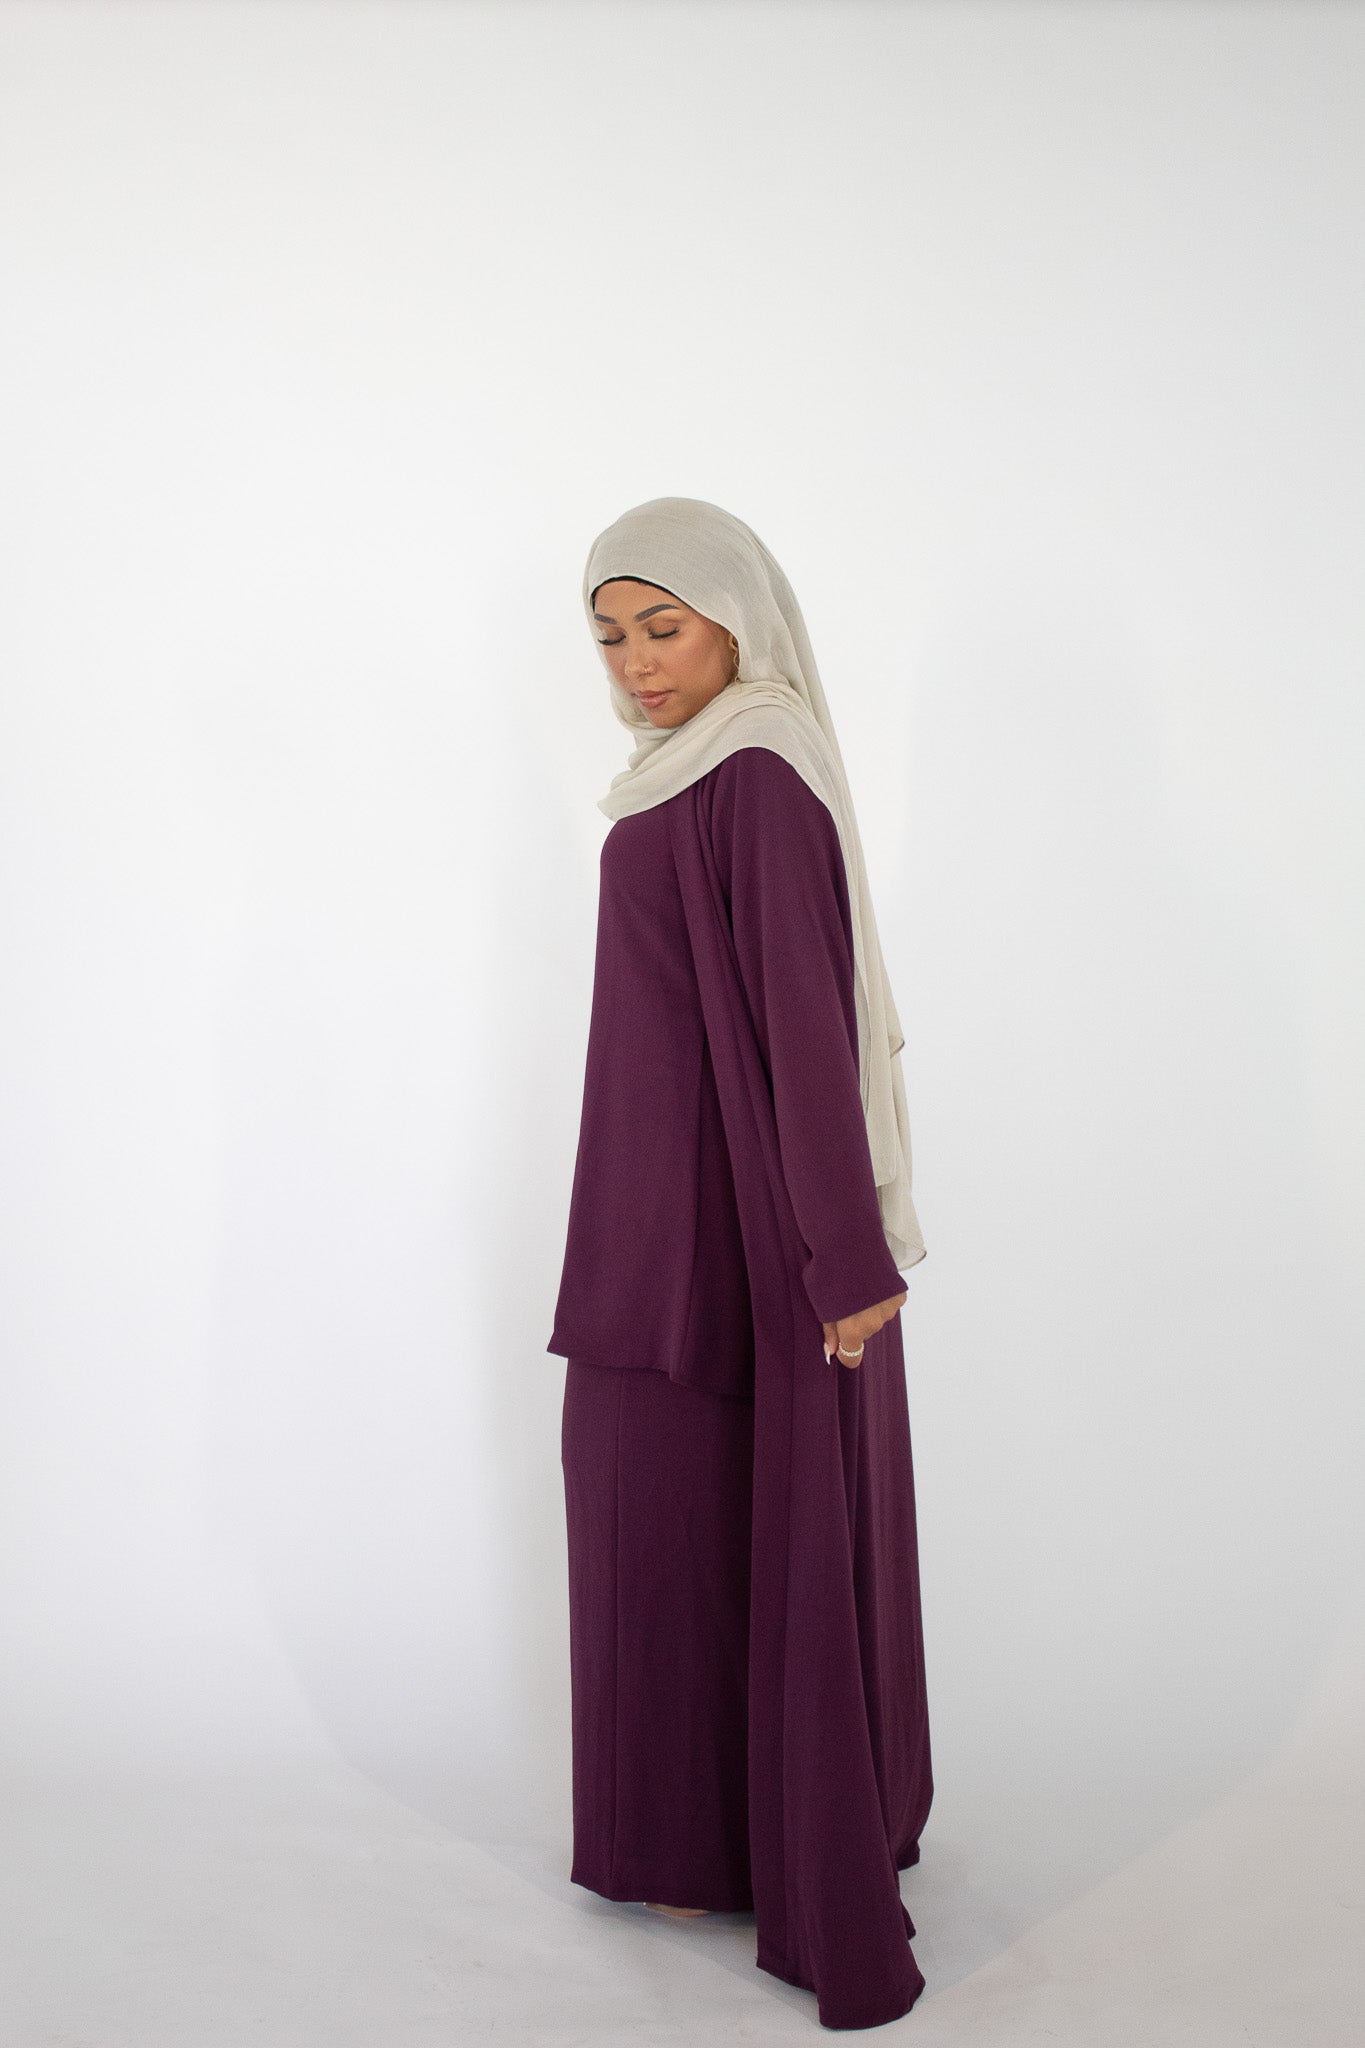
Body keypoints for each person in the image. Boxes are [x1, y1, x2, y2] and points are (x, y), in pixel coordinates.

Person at [546, 496, 933, 2031]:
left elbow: (803, 1027)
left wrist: (843, 1258)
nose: (637, 662)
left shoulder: (758, 769)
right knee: (662, 1535)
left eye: (663, 624)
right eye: (609, 636)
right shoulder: (679, 771)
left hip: (745, 1241)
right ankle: (694, 1839)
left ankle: (756, 1848)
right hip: (644, 1235)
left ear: (738, 618)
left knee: (720, 1529)